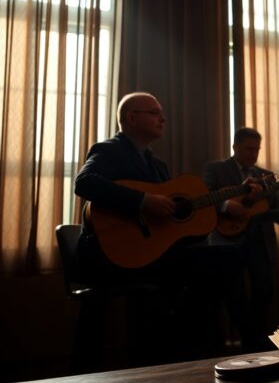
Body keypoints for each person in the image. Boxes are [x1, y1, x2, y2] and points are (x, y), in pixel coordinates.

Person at [74, 91, 243, 362]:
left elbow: (168, 227)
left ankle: (184, 346)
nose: (163, 118)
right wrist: (142, 200)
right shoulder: (108, 150)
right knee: (222, 260)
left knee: (226, 255)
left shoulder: (159, 166)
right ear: (131, 118)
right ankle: (186, 347)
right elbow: (84, 183)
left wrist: (194, 222)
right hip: (109, 256)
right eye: (154, 113)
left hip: (150, 255)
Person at [203, 127, 279, 352]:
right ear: (235, 147)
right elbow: (204, 198)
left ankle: (253, 343)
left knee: (264, 291)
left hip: (260, 244)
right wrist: (228, 206)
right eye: (248, 148)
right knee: (233, 295)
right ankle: (242, 343)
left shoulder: (265, 176)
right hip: (227, 244)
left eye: (256, 149)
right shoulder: (216, 169)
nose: (253, 154)